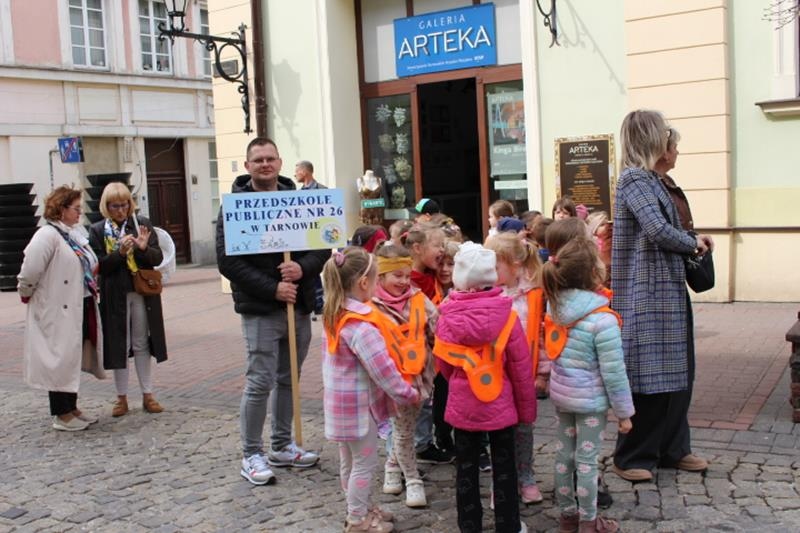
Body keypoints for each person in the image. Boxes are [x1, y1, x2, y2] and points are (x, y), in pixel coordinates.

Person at [216, 137, 330, 485]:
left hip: (298, 305)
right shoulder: (234, 207)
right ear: (247, 166)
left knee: (288, 378)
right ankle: (251, 453)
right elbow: (228, 262)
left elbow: (323, 244)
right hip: (261, 309)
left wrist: (302, 268)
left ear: (280, 162)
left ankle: (282, 445)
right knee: (259, 381)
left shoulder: (300, 200)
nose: (265, 164)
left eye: (270, 158)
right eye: (258, 160)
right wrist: (272, 288)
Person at [611, 110, 714, 483]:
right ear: (655, 143)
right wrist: (692, 243)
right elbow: (656, 229)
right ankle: (632, 455)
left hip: (666, 289)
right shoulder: (634, 179)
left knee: (679, 372)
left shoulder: (657, 181)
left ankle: (674, 449)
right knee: (649, 376)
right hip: (645, 293)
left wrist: (692, 240)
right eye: (672, 143)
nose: (677, 150)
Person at [434, 241, 535, 533]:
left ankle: (469, 526)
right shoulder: (508, 316)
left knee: (465, 468)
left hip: (463, 405)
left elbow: (444, 365)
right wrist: (526, 411)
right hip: (500, 404)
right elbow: (519, 368)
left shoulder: (447, 316)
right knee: (505, 467)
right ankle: (508, 524)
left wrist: (460, 381)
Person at [541, 226, 634, 533]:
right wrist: (624, 413)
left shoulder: (555, 308)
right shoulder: (603, 320)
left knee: (563, 456)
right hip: (591, 403)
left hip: (563, 397)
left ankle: (567, 517)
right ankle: (589, 521)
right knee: (587, 461)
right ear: (595, 273)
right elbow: (614, 372)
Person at [322, 247, 420, 532]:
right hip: (358, 411)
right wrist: (407, 393)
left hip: (340, 406)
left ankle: (361, 507)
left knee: (349, 462)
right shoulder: (361, 327)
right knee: (364, 465)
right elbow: (383, 370)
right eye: (377, 279)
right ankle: (357, 520)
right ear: (364, 283)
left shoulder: (336, 314)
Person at [18, 185, 105, 431]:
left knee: (71, 357)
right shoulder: (46, 236)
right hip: (56, 308)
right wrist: (26, 293)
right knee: (58, 359)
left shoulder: (73, 234)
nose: (79, 213)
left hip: (80, 303)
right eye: (76, 208)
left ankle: (72, 406)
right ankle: (61, 413)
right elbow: (30, 271)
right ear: (61, 208)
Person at [89, 182, 167, 418]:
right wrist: (120, 253)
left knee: (141, 342)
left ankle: (147, 394)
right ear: (106, 206)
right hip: (115, 294)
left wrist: (143, 249)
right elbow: (99, 266)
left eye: (124, 205)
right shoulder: (98, 230)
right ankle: (121, 397)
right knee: (119, 345)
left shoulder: (141, 224)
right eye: (115, 206)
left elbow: (157, 257)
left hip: (141, 291)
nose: (121, 210)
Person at [372, 243, 437, 508]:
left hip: (418, 378)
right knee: (402, 431)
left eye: (407, 276)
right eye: (397, 276)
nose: (403, 281)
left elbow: (436, 330)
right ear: (380, 276)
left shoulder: (419, 299)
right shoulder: (370, 304)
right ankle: (412, 479)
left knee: (404, 428)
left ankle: (391, 465)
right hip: (388, 380)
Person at [485, 232, 545, 505]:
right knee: (498, 431)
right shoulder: (486, 294)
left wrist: (542, 372)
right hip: (493, 376)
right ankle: (501, 481)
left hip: (523, 375)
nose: (489, 272)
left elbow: (541, 335)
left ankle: (526, 476)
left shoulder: (532, 295)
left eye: (495, 266)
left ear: (515, 265)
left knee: (524, 429)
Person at [401, 223, 453, 464]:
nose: (441, 250)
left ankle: (423, 443)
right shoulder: (409, 279)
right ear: (417, 248)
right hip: (416, 349)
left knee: (427, 400)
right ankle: (411, 449)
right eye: (436, 245)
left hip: (433, 349)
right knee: (417, 401)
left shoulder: (431, 275)